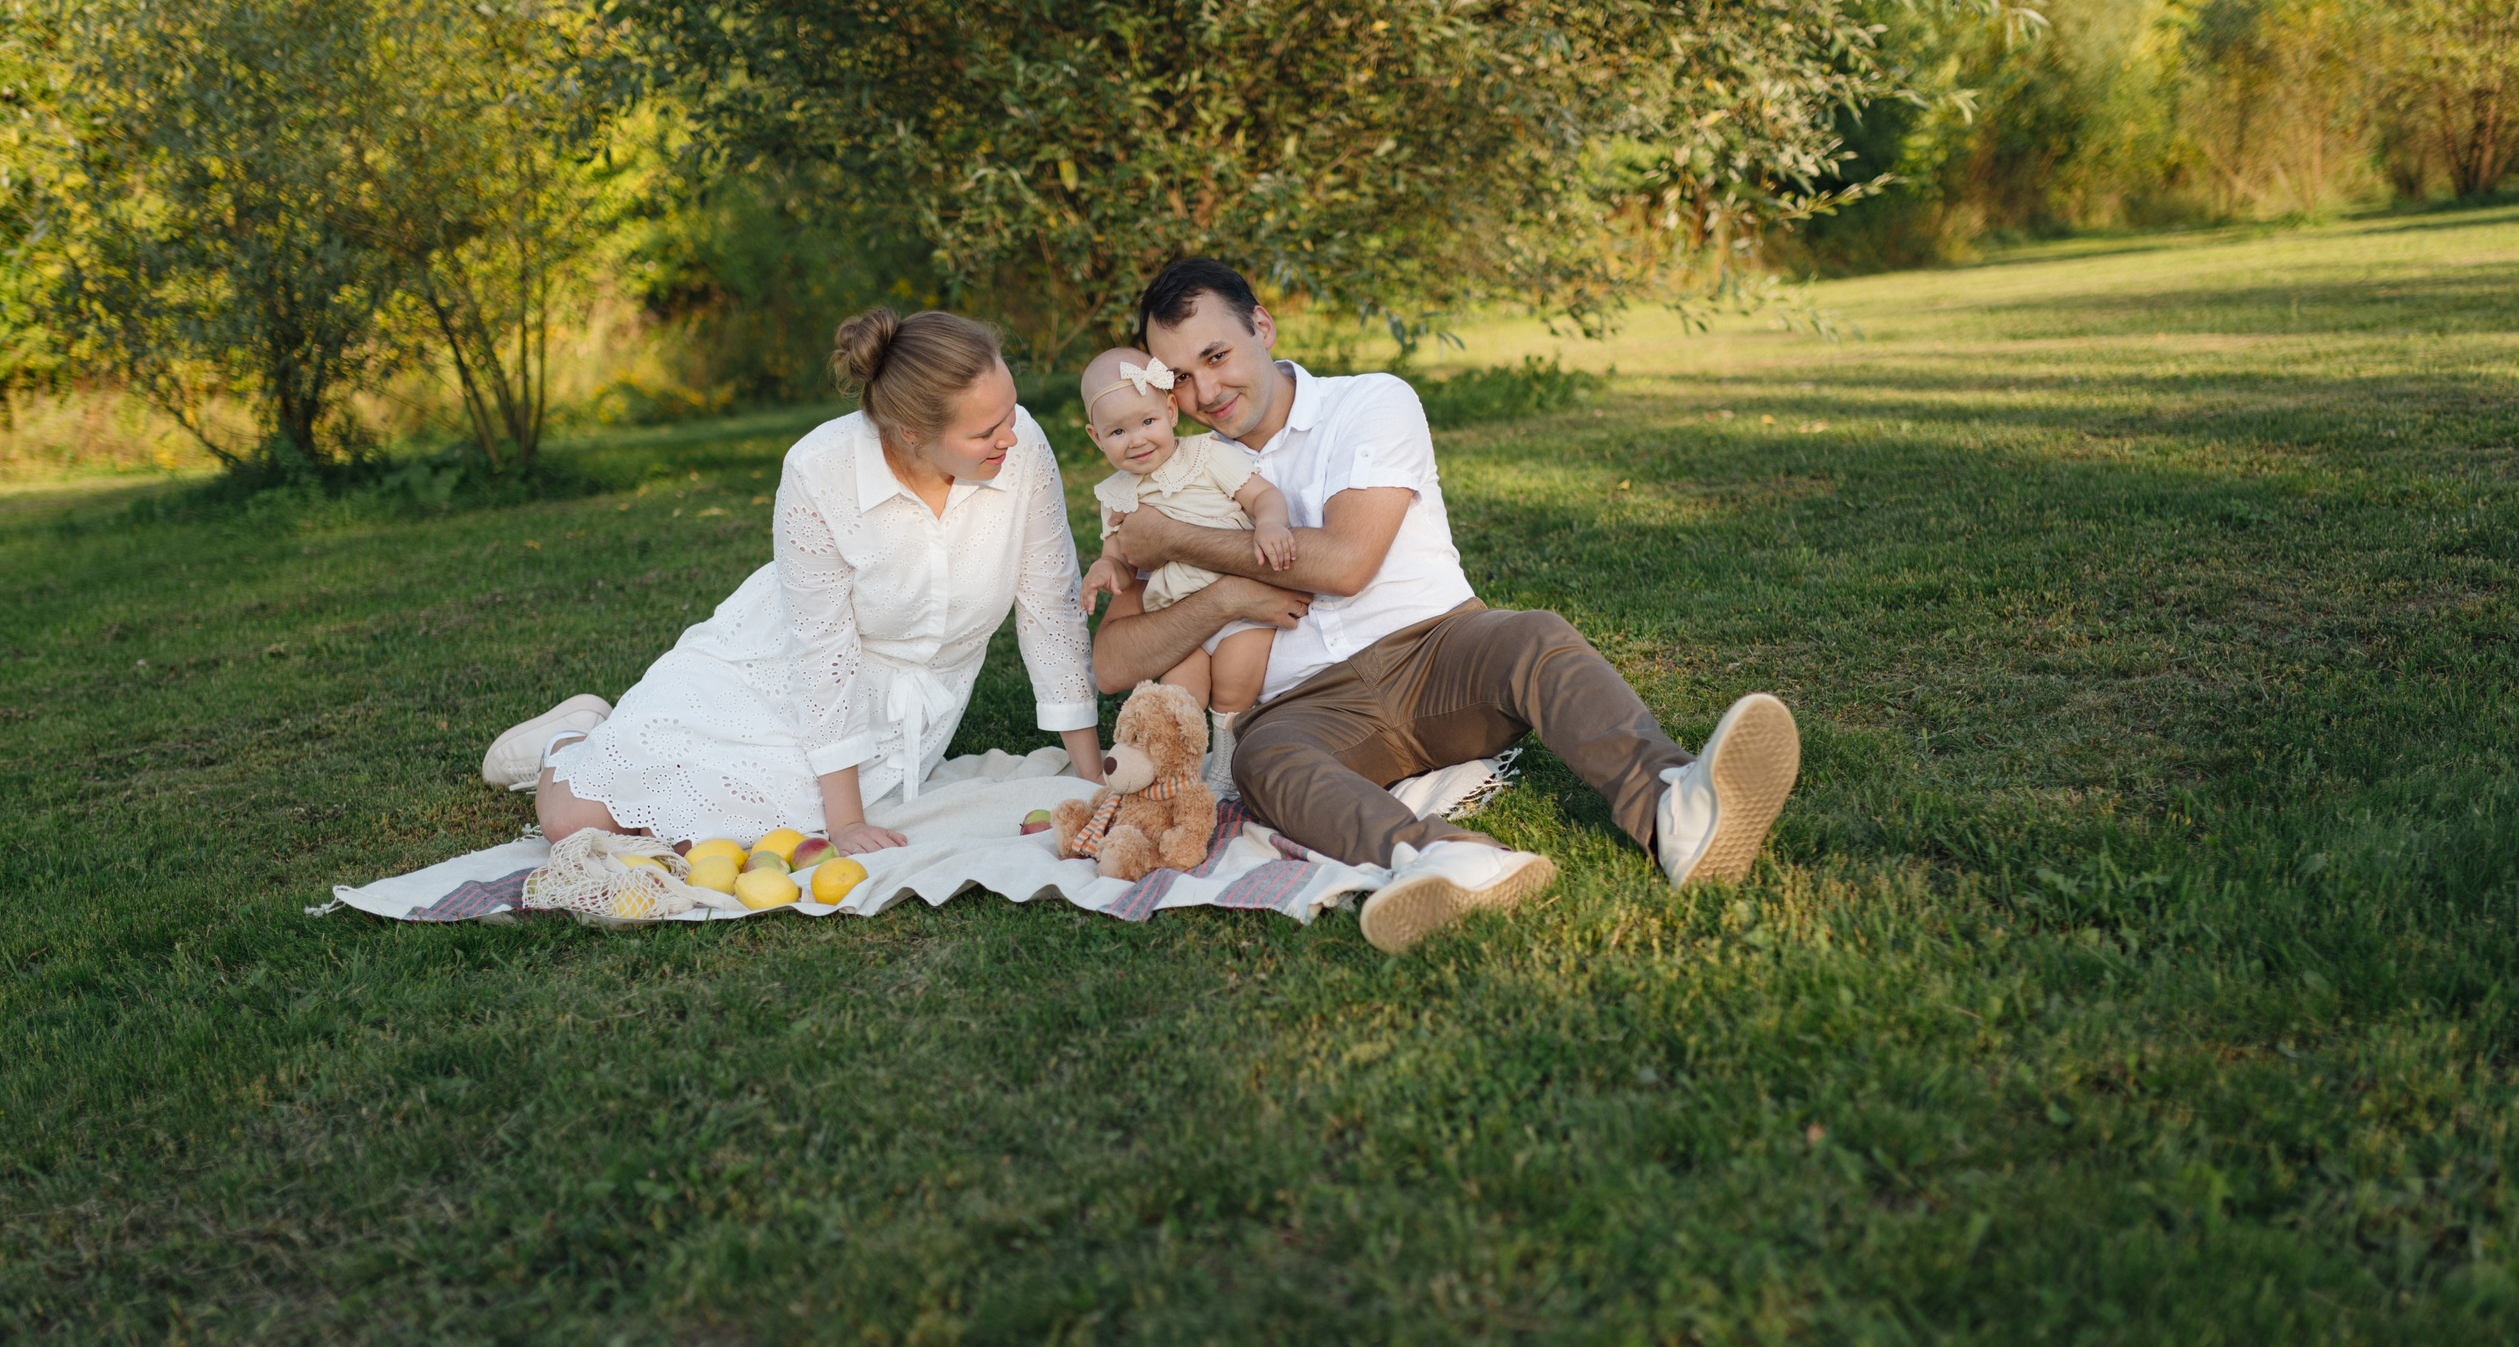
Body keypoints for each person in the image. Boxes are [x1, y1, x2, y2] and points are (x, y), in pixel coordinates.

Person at [1089, 258, 1800, 953]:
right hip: (1305, 708)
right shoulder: (1163, 479)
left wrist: (1179, 541)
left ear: (1263, 328)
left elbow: (1345, 562)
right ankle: (1446, 859)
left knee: (1534, 637)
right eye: (1179, 376)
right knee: (1265, 761)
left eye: (1217, 355)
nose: (1206, 389)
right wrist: (1226, 597)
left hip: (1438, 654)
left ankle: (1673, 806)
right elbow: (1113, 662)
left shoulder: (1369, 402)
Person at [481, 307, 1103, 854]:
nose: (1012, 435)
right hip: (776, 667)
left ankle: (607, 742)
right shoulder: (818, 469)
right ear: (913, 433)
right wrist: (847, 822)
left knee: (713, 837)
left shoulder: (1021, 448)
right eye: (985, 431)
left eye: (1009, 412)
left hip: (899, 706)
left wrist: (1088, 776)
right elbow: (822, 650)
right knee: (573, 822)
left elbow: (1051, 609)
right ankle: (568, 740)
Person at [1074, 345, 1294, 795]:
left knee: (1234, 686)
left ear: (1171, 411)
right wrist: (1104, 567)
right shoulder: (1116, 493)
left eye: (1147, 422)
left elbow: (1261, 496)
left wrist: (1270, 523)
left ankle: (1228, 760)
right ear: (1096, 438)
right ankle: (1184, 775)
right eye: (1118, 431)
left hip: (1240, 605)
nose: (1136, 440)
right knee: (1181, 696)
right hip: (1178, 615)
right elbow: (1118, 553)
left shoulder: (1207, 456)